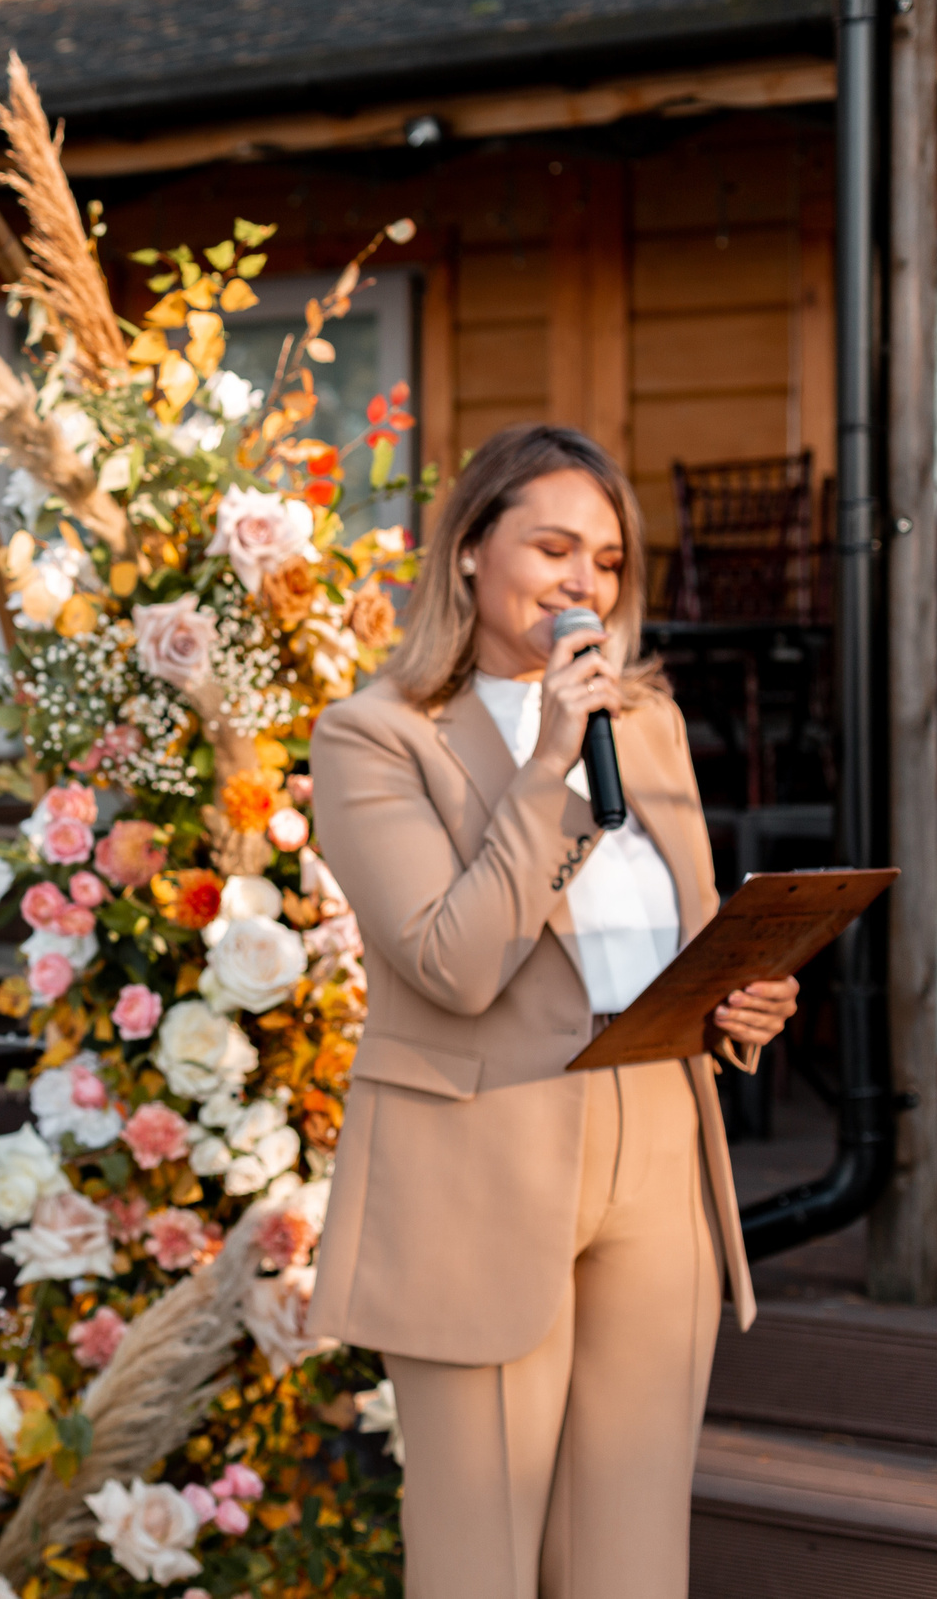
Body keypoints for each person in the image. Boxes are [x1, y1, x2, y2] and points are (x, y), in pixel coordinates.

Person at [306, 424, 800, 1599]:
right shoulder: (376, 737)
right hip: (480, 1160)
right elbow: (450, 963)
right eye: (554, 547)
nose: (586, 581)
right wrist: (547, 770)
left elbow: (666, 937)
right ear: (472, 550)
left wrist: (739, 997)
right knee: (477, 1562)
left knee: (631, 1557)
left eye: (610, 561)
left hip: (659, 1139)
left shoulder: (650, 722)